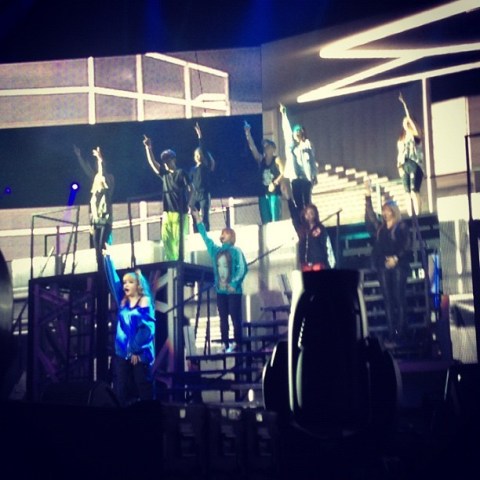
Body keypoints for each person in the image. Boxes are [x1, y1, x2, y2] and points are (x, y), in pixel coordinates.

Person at [103, 246, 156, 406]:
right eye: (125, 282)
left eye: (130, 282)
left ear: (138, 285)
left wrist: (134, 349)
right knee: (122, 391)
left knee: (142, 387)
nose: (126, 285)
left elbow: (147, 329)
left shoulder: (144, 302)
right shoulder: (123, 300)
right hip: (123, 354)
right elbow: (114, 282)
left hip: (139, 354)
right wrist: (108, 258)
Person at [191, 209, 248, 353]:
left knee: (235, 317)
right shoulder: (215, 250)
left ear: (231, 236)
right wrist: (198, 220)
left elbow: (243, 268)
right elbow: (205, 238)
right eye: (222, 232)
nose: (223, 234)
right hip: (221, 291)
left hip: (234, 291)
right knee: (223, 318)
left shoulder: (236, 251)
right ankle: (225, 344)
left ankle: (238, 343)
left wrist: (234, 284)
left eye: (226, 232)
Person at [364, 178, 411, 344]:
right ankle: (393, 332)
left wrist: (396, 258)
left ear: (393, 211)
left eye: (386, 210)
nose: (384, 213)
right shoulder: (380, 228)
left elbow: (407, 244)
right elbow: (370, 217)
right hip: (383, 264)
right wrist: (367, 195)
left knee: (399, 297)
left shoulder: (401, 226)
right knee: (388, 300)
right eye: (383, 210)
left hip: (398, 264)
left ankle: (402, 331)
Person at [143, 135, 191, 261]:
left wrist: (190, 204)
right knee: (167, 240)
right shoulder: (164, 174)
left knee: (179, 242)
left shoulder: (181, 173)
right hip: (167, 213)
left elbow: (191, 188)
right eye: (164, 161)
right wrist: (148, 148)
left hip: (180, 212)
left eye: (168, 160)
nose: (166, 163)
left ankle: (180, 264)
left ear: (174, 160)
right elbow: (153, 163)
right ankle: (172, 265)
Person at [73, 145, 114, 270]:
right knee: (97, 248)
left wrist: (100, 159)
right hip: (96, 219)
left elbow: (102, 173)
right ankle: (100, 269)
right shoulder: (96, 178)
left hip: (105, 218)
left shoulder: (108, 178)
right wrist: (79, 156)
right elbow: (87, 169)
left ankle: (105, 269)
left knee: (101, 246)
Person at [279, 103, 318, 230]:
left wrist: (314, 175)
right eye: (296, 132)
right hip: (295, 177)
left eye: (299, 132)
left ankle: (309, 221)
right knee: (298, 201)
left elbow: (312, 161)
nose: (297, 134)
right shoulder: (291, 146)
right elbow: (286, 131)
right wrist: (284, 115)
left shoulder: (308, 145)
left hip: (306, 177)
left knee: (307, 200)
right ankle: (302, 222)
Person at [244, 120, 284, 224]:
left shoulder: (277, 160)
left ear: (273, 148)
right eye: (265, 147)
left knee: (275, 218)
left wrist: (275, 183)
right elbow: (253, 148)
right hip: (263, 192)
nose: (266, 149)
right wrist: (248, 134)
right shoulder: (261, 159)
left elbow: (283, 172)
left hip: (274, 192)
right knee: (265, 220)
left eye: (268, 147)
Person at [397, 92, 424, 216]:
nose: (405, 123)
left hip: (415, 164)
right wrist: (399, 167)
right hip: (404, 164)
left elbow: (412, 122)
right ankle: (410, 215)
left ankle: (418, 214)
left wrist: (405, 106)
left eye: (407, 122)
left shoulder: (415, 135)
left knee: (414, 191)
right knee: (407, 193)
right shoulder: (401, 139)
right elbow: (399, 154)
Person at [189, 122, 215, 232]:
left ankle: (206, 233)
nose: (199, 156)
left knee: (205, 217)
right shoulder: (193, 169)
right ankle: (196, 232)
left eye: (200, 154)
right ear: (195, 157)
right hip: (195, 195)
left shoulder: (204, 166)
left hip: (203, 194)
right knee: (194, 216)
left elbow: (202, 147)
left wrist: (199, 135)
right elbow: (189, 183)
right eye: (197, 155)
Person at [297, 204, 336, 272]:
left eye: (311, 213)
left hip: (318, 262)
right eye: (307, 213)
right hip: (305, 264)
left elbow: (327, 244)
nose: (308, 215)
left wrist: (331, 262)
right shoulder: (302, 230)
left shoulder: (320, 228)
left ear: (315, 215)